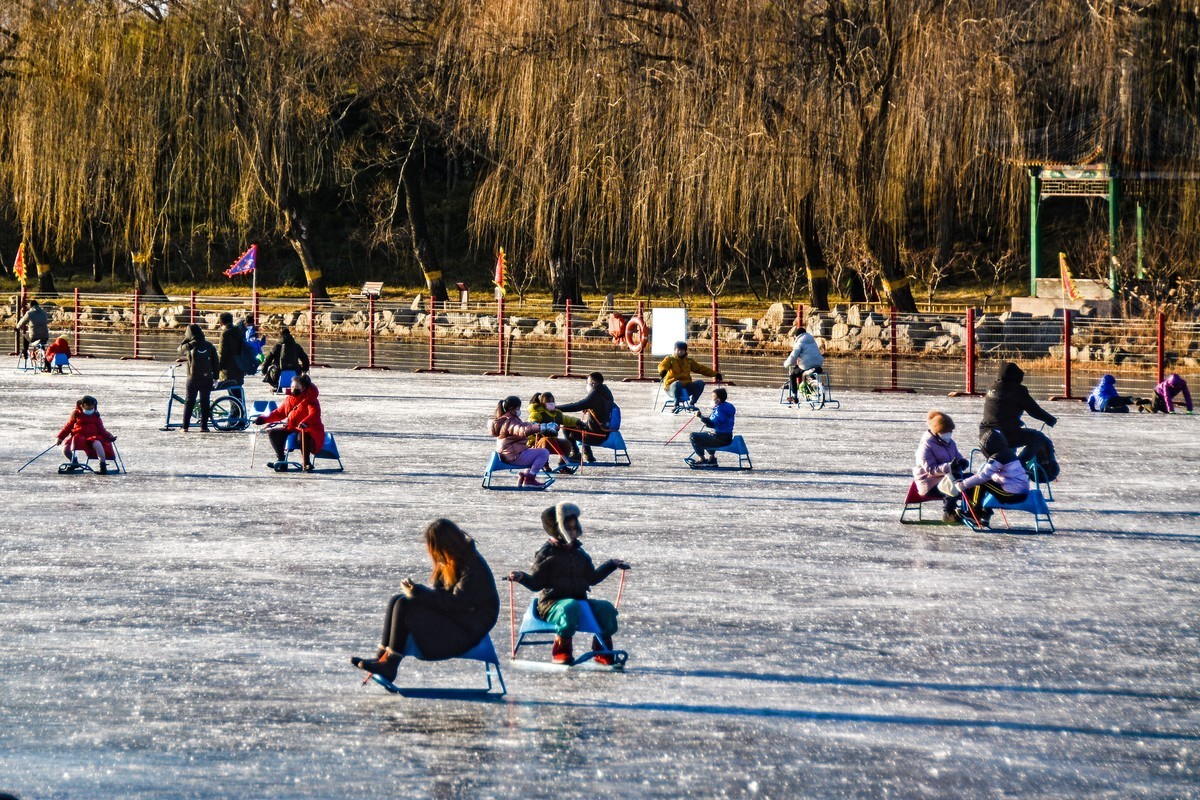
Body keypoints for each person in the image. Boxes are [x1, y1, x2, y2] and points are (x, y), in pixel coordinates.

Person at [351, 519, 500, 684]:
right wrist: (415, 592)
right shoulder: (452, 561)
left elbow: (455, 603)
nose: (435, 554)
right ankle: (381, 658)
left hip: (468, 629)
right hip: (458, 619)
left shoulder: (472, 568)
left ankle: (391, 664)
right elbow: (443, 596)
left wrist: (417, 593)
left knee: (405, 605)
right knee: (398, 600)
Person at [508, 503, 629, 665]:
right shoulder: (547, 554)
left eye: (574, 528)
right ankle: (561, 650)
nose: (573, 533)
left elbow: (592, 578)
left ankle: (602, 649)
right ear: (558, 531)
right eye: (568, 529)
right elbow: (536, 584)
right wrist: (522, 577)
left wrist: (612, 564)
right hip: (552, 605)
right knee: (569, 606)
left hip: (579, 602)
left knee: (606, 609)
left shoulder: (579, 553)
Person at [979, 361, 1057, 465]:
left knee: (1011, 439)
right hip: (1005, 435)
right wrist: (1050, 419)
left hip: (985, 436)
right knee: (1038, 438)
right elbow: (1034, 410)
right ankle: (1018, 465)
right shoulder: (1017, 390)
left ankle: (1008, 465)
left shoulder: (991, 388)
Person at [954, 429, 1030, 528]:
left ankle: (975, 512)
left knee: (982, 482)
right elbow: (997, 476)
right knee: (988, 482)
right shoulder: (1007, 453)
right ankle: (986, 512)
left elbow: (983, 476)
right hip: (1018, 491)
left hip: (1013, 494)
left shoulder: (998, 457)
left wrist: (963, 485)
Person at [253, 372, 324, 472]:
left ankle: (306, 462)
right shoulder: (289, 399)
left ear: (303, 388)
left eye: (296, 387)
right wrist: (263, 419)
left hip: (310, 429)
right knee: (273, 433)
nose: (292, 389)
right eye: (292, 386)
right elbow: (279, 413)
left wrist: (305, 422)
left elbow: (314, 414)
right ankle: (281, 460)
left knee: (302, 436)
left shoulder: (310, 400)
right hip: (292, 427)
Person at [913, 410, 969, 522]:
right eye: (946, 431)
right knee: (951, 482)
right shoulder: (926, 446)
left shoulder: (950, 443)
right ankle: (948, 512)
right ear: (938, 431)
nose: (949, 433)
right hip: (930, 483)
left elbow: (957, 457)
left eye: (951, 430)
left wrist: (962, 463)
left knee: (971, 479)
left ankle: (972, 511)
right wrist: (949, 467)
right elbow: (930, 469)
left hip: (947, 478)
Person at [490, 395, 557, 487]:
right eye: (518, 408)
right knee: (543, 453)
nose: (519, 410)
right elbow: (522, 430)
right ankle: (530, 478)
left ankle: (525, 476)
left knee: (533, 451)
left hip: (509, 454)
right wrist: (542, 427)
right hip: (513, 456)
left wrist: (535, 425)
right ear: (512, 408)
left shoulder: (506, 419)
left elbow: (523, 426)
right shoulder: (510, 421)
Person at [555, 371, 617, 463]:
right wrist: (590, 408)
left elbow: (577, 405)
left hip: (595, 436)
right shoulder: (606, 391)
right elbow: (601, 406)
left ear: (593, 383)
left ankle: (575, 453)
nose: (587, 385)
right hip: (604, 431)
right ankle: (588, 455)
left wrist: (557, 408)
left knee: (566, 427)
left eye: (588, 383)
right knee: (582, 426)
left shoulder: (596, 393)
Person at [56, 395, 117, 474]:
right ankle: (74, 462)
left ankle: (103, 465)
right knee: (66, 449)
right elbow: (68, 426)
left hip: (92, 438)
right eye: (88, 405)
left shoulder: (96, 416)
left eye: (92, 405)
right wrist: (60, 437)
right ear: (83, 405)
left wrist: (109, 437)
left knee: (98, 445)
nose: (90, 407)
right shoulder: (76, 414)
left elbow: (101, 429)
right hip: (78, 438)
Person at [177, 323, 219, 433]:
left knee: (189, 401)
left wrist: (186, 339)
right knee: (205, 402)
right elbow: (215, 362)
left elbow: (179, 350)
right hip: (207, 378)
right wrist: (216, 377)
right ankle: (204, 427)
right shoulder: (209, 346)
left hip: (193, 378)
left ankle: (185, 427)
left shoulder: (189, 346)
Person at [658, 341, 721, 412]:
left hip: (686, 387)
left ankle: (692, 404)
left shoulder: (689, 361)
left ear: (685, 351)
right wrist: (663, 371)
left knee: (700, 383)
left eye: (682, 350)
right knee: (677, 383)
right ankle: (676, 405)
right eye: (678, 350)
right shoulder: (670, 359)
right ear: (675, 350)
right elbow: (662, 365)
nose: (680, 352)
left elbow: (701, 368)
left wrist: (715, 374)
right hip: (672, 388)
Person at [529, 391, 581, 473]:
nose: (551, 403)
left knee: (567, 443)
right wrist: (543, 428)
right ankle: (544, 465)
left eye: (552, 401)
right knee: (546, 441)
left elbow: (566, 419)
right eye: (548, 402)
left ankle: (562, 465)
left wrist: (577, 422)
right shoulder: (537, 414)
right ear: (542, 403)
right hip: (538, 441)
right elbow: (533, 424)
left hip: (553, 440)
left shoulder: (557, 413)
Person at [689, 387, 736, 466]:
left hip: (720, 438)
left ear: (718, 400)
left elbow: (712, 424)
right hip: (727, 436)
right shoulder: (728, 406)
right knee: (707, 434)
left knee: (693, 436)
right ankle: (712, 457)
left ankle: (702, 458)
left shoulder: (720, 409)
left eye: (713, 397)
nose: (711, 399)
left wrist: (701, 417)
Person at [783, 328, 825, 404]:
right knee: (809, 373)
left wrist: (786, 364)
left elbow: (793, 356)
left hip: (806, 365)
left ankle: (794, 397)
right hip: (818, 363)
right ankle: (812, 387)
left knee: (792, 374)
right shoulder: (812, 340)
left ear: (797, 336)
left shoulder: (799, 342)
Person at [217, 312, 245, 390]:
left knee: (233, 395)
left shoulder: (225, 334)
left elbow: (222, 353)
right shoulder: (238, 331)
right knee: (237, 395)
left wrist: (217, 368)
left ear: (221, 323)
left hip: (228, 370)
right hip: (239, 367)